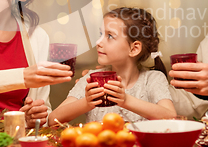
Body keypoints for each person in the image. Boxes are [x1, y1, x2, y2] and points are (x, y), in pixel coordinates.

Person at [49, 7, 177, 124]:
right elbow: (53, 119)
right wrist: (86, 102)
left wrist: (126, 100)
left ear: (134, 49)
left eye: (110, 36)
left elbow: (171, 117)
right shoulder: (91, 79)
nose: (98, 42)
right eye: (100, 34)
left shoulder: (152, 79)